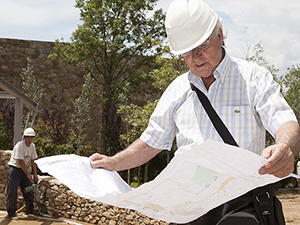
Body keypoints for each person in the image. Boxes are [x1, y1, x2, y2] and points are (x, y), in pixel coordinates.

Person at [90, 0, 300, 224]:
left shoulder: (253, 78)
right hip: (187, 208)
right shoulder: (177, 90)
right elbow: (151, 141)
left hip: (240, 203)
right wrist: (114, 162)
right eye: (186, 52)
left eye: (201, 46)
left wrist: (285, 147)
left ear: (219, 35)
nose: (195, 57)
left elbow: (285, 122)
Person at [6, 127, 38, 219]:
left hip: (24, 170)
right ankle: (11, 213)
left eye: (31, 137)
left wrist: (35, 174)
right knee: (12, 191)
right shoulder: (19, 146)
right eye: (28, 137)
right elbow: (21, 162)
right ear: (24, 138)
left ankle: (30, 210)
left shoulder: (32, 146)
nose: (29, 139)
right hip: (14, 170)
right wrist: (28, 174)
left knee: (28, 189)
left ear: (33, 138)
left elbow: (33, 161)